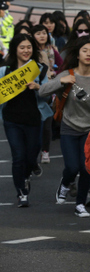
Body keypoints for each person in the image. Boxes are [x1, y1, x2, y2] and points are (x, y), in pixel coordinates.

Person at [39, 37, 90, 218]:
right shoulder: (67, 74)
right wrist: (61, 81)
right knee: (72, 167)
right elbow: (42, 91)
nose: (89, 54)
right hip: (69, 128)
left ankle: (80, 204)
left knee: (86, 168)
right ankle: (65, 183)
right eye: (85, 50)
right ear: (77, 54)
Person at [0, 34, 51, 207]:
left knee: (31, 156)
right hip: (11, 120)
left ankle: (27, 174)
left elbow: (48, 95)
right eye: (22, 47)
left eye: (29, 47)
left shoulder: (40, 69)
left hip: (34, 120)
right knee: (18, 157)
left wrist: (38, 87)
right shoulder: (4, 71)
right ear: (15, 49)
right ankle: (21, 192)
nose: (26, 50)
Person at [31, 25, 60, 164]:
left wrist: (56, 79)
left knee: (47, 124)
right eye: (38, 33)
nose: (42, 35)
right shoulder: (30, 52)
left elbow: (62, 65)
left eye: (44, 33)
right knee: (34, 125)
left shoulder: (51, 50)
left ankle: (45, 151)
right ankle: (33, 154)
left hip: (49, 89)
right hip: (31, 91)